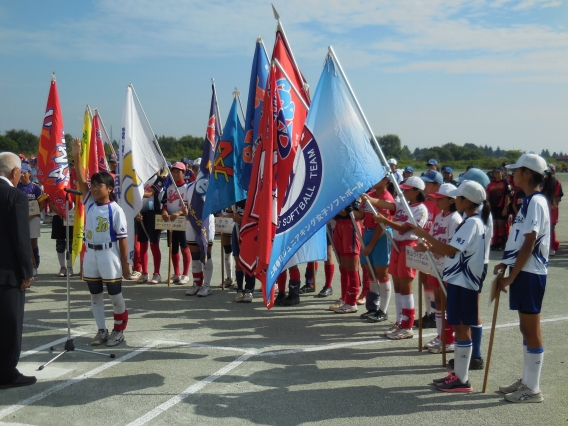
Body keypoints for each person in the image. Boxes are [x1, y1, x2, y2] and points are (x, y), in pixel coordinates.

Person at [412, 180, 489, 393]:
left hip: (464, 282)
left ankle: (462, 379)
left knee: (462, 329)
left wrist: (424, 236)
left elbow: (449, 250)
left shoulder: (472, 222)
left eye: (458, 197)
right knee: (459, 327)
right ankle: (459, 375)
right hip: (460, 280)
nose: (455, 200)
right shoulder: (470, 221)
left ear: (465, 201)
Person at [494, 154, 550, 403]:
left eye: (516, 170)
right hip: (523, 271)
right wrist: (506, 263)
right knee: (525, 329)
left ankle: (533, 388)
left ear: (527, 173)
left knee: (531, 329)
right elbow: (519, 239)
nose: (511, 174)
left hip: (530, 272)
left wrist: (511, 277)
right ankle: (527, 380)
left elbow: (530, 242)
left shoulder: (536, 201)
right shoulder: (527, 201)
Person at [72, 138, 130, 347]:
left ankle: (119, 330)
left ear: (110, 189)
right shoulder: (89, 202)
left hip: (109, 255)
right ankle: (101, 330)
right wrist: (77, 155)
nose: (94, 189)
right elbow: (80, 179)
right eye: (93, 185)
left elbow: (123, 239)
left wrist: (125, 264)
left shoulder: (115, 210)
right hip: (91, 255)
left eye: (99, 186)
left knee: (115, 296)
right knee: (95, 295)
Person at [368, 176, 428, 340]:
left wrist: (384, 220)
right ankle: (400, 321)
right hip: (396, 246)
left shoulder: (421, 210)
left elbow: (404, 228)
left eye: (408, 190)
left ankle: (407, 326)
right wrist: (368, 198)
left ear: (417, 191)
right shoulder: (404, 204)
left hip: (409, 247)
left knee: (406, 286)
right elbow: (387, 205)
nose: (404, 192)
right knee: (398, 286)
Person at [0, 152, 36, 389]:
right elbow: (22, 240)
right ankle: (6, 372)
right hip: (8, 272)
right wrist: (27, 272)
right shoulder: (15, 196)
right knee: (10, 322)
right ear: (14, 173)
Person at [415, 183, 461, 354]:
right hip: (436, 265)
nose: (437, 202)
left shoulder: (455, 219)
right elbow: (434, 239)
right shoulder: (439, 217)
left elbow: (449, 247)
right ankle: (441, 336)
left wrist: (431, 247)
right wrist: (424, 245)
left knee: (447, 303)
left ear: (451, 200)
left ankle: (449, 339)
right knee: (439, 302)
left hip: (447, 266)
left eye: (440, 199)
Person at [354, 174, 395, 322]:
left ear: (386, 181)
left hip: (381, 235)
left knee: (381, 272)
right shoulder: (369, 196)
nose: (373, 180)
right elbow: (361, 215)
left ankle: (383, 310)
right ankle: (373, 307)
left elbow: (383, 223)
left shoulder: (387, 198)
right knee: (370, 270)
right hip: (368, 232)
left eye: (378, 178)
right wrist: (350, 209)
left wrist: (371, 245)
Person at [161, 162, 191, 285]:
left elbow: (189, 207)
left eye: (179, 171)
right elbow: (164, 204)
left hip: (183, 222)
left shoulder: (188, 188)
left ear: (184, 173)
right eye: (173, 171)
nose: (176, 174)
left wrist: (178, 213)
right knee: (173, 248)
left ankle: (185, 274)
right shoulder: (169, 188)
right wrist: (164, 212)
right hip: (171, 223)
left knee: (184, 247)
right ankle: (177, 274)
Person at [17, 162, 47, 275]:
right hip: (20, 218)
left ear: (29, 173)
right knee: (21, 242)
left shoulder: (35, 188)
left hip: (33, 218)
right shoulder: (16, 187)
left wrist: (32, 216)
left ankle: (35, 265)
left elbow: (42, 203)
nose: (23, 175)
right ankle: (25, 265)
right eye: (21, 173)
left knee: (32, 242)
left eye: (25, 173)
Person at [136, 172, 165, 284]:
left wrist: (134, 192)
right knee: (143, 244)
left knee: (154, 243)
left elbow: (149, 194)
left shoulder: (159, 179)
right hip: (140, 213)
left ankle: (156, 273)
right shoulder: (139, 178)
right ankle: (144, 273)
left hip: (154, 213)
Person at [487, 165, 511, 250]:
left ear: (502, 172)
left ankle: (501, 243)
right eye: (495, 172)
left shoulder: (505, 183)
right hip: (493, 207)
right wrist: (488, 207)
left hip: (501, 207)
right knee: (494, 225)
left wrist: (505, 208)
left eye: (498, 172)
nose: (496, 174)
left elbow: (507, 196)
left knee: (500, 225)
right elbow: (488, 196)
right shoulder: (491, 184)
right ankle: (495, 242)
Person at [546, 164, 562, 256]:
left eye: (550, 170)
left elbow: (558, 196)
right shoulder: (542, 182)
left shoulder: (556, 182)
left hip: (552, 208)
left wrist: (551, 206)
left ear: (553, 171)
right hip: (543, 207)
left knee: (551, 228)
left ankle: (552, 246)